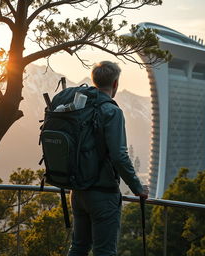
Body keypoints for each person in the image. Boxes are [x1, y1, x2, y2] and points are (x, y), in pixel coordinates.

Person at [67, 61, 149, 256]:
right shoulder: (112, 111)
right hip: (103, 194)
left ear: (95, 82)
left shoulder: (81, 106)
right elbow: (119, 156)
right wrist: (138, 188)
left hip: (77, 191)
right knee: (104, 251)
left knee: (78, 247)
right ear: (115, 84)